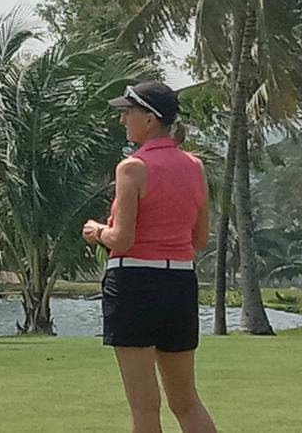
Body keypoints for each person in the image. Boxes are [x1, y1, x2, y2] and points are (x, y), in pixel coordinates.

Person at [82, 81, 216, 433]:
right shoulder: (194, 166)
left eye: (128, 112)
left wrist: (97, 232)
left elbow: (122, 239)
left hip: (135, 284)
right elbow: (200, 238)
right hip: (180, 283)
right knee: (186, 401)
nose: (123, 119)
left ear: (150, 119)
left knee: (144, 406)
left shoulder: (132, 167)